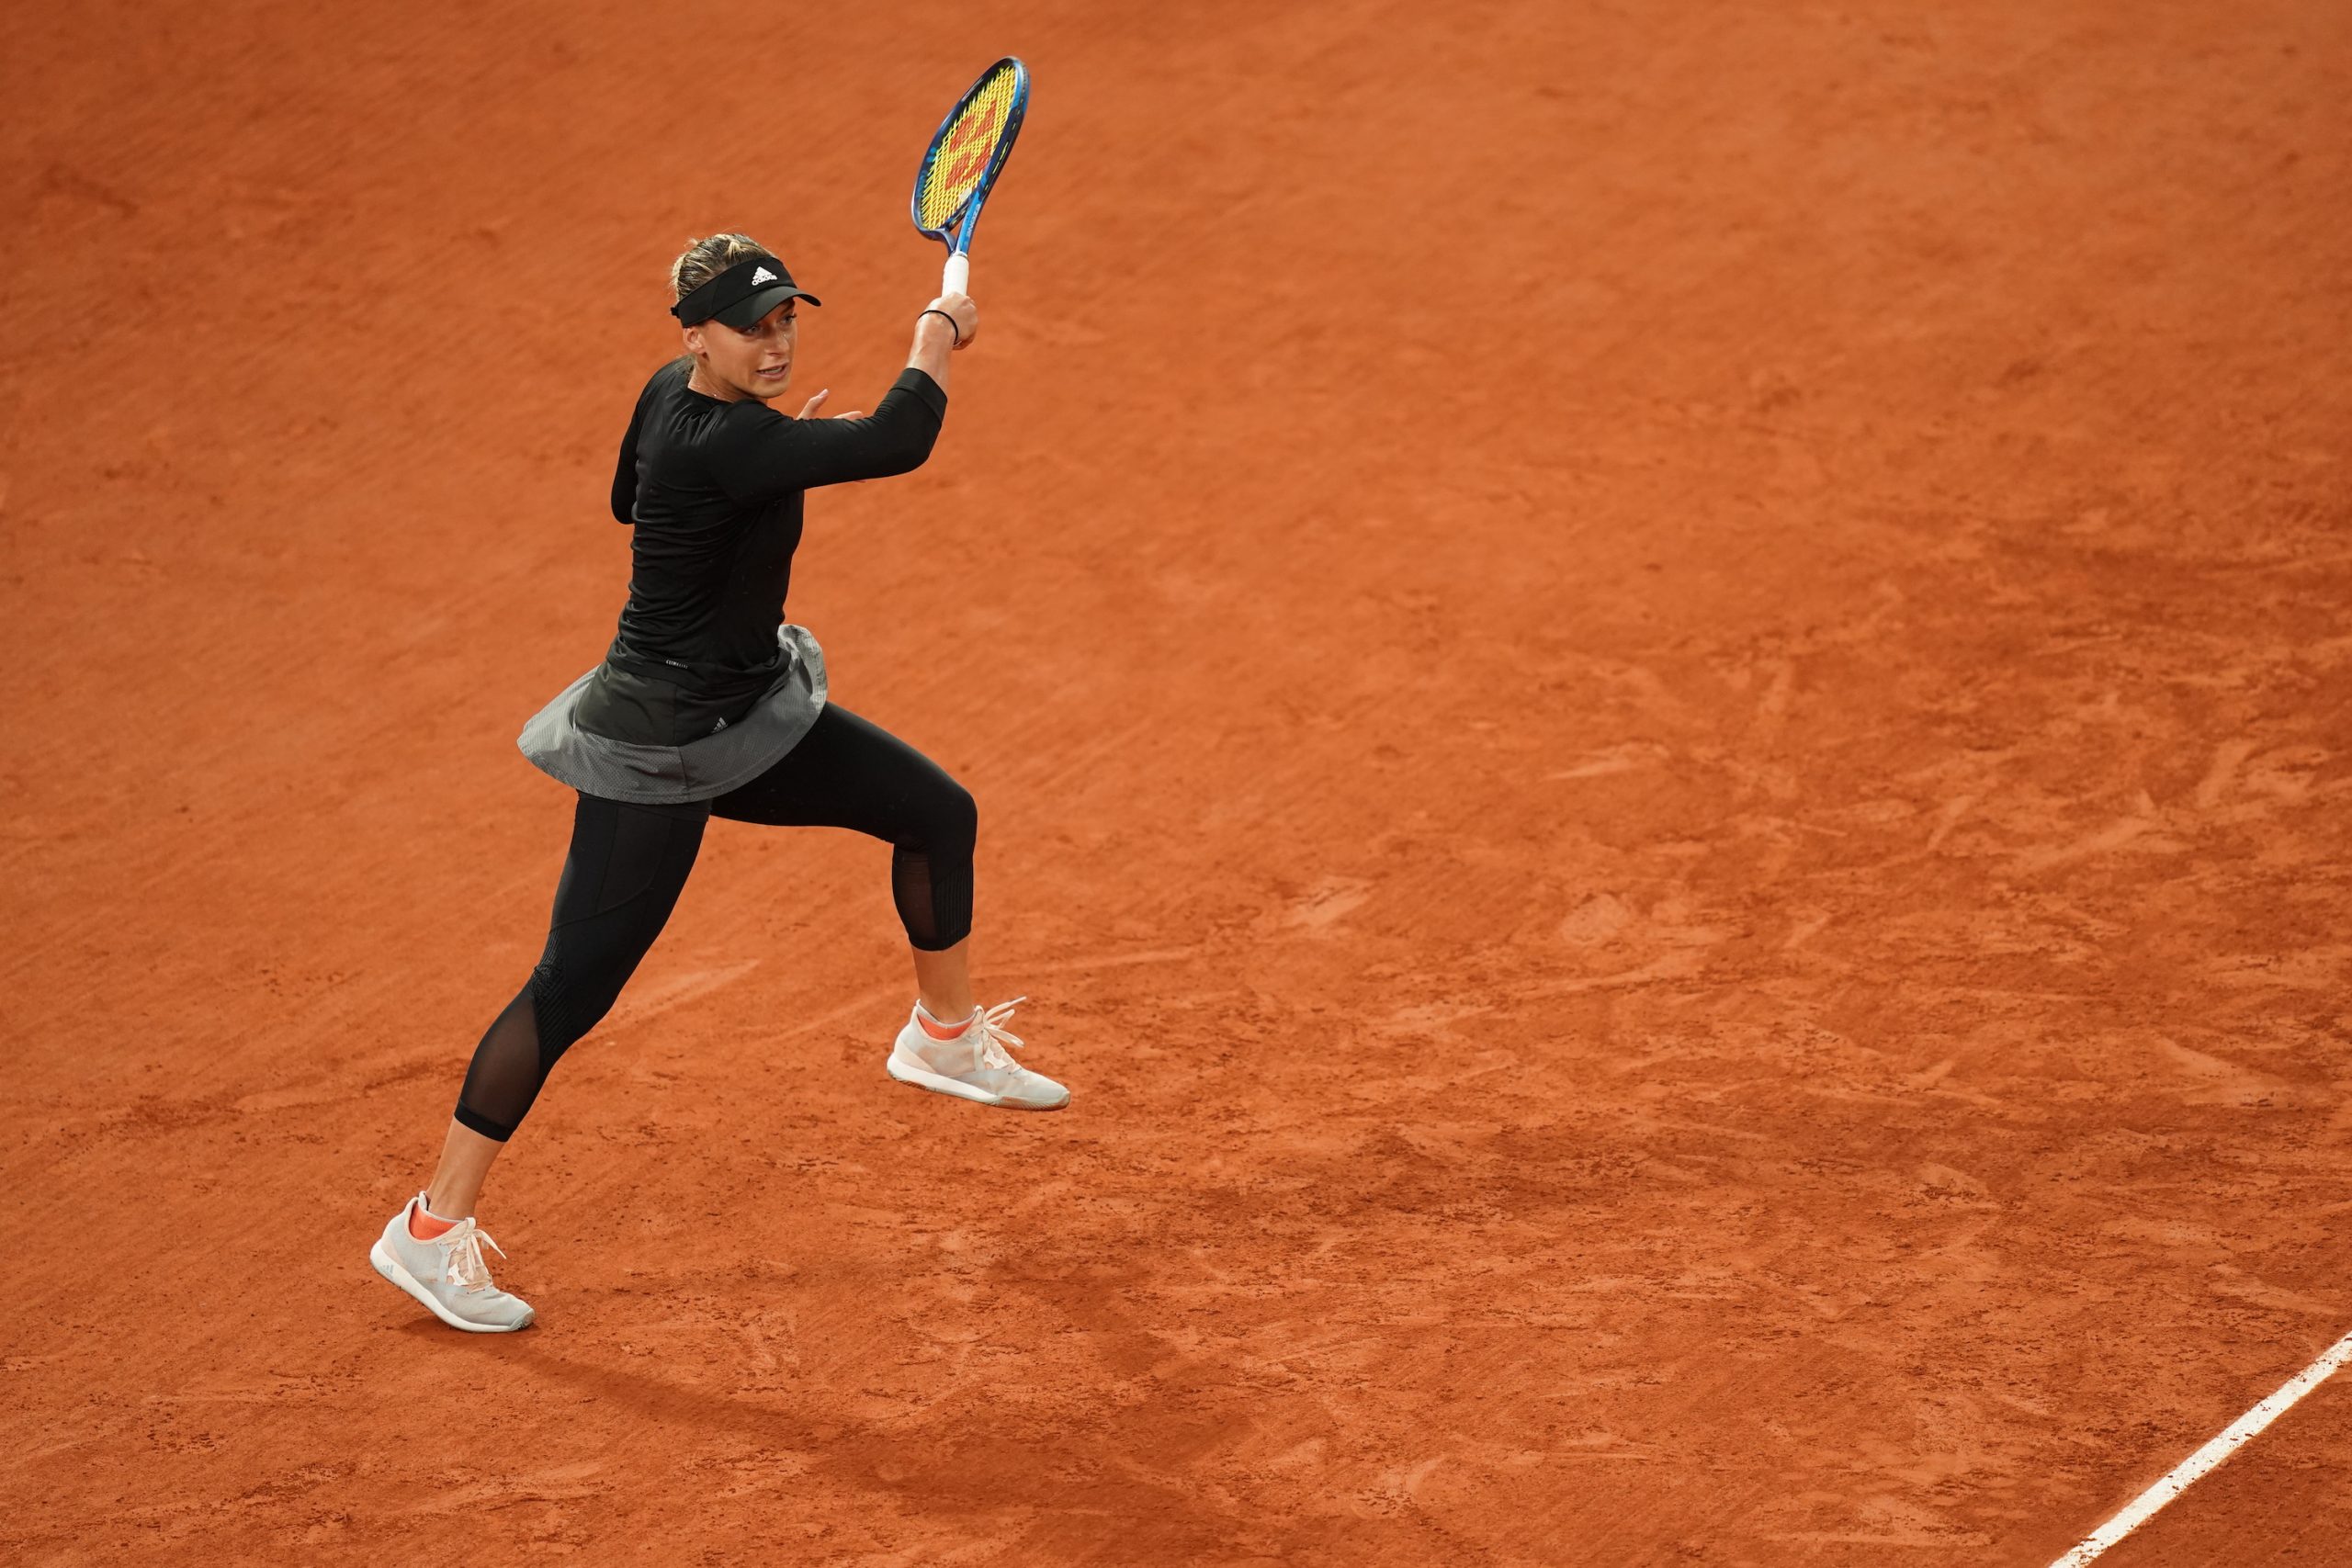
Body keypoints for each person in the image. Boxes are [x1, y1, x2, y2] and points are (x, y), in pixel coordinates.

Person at [368, 232, 1068, 1335]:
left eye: (785, 321)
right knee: (569, 990)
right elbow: (898, 440)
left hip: (746, 716)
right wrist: (936, 333)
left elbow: (626, 499)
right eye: (751, 329)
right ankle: (428, 1226)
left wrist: (764, 464)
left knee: (936, 813)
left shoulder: (675, 399)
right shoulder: (733, 440)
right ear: (696, 334)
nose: (775, 344)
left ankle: (943, 1038)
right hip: (656, 751)